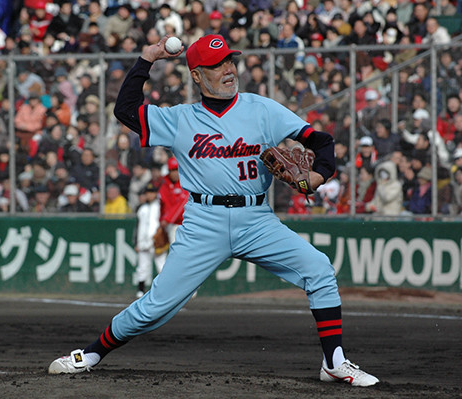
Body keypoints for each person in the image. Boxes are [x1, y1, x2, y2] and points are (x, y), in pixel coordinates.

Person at [48, 34, 379, 387]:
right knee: (156, 306)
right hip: (205, 222)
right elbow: (125, 111)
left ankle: (334, 361)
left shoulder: (262, 108)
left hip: (257, 219)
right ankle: (92, 353)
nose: (227, 69)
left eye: (229, 61)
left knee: (319, 270)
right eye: (215, 65)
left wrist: (316, 177)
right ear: (196, 75)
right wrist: (146, 60)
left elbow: (320, 140)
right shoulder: (179, 119)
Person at [134, 182, 166, 298]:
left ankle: (165, 290)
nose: (149, 195)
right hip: (143, 242)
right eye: (147, 193)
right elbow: (138, 227)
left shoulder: (160, 206)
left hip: (156, 242)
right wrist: (136, 242)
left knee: (162, 267)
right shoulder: (142, 208)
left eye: (152, 192)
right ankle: (140, 290)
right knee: (142, 268)